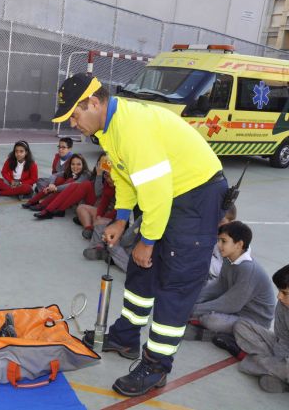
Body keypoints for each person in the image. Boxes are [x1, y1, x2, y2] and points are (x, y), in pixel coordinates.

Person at [55, 73, 228, 397]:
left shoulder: (132, 129)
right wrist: (121, 220)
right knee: (140, 270)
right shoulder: (109, 130)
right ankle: (124, 338)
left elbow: (158, 193)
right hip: (167, 196)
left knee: (174, 283)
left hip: (195, 196)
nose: (74, 124)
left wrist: (148, 241)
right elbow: (124, 179)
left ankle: (156, 366)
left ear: (94, 103)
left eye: (75, 116)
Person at [189, 221, 275, 349]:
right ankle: (222, 334)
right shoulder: (229, 259)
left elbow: (230, 304)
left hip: (253, 322)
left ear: (239, 245)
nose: (219, 245)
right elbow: (219, 286)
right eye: (218, 240)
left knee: (211, 319)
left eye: (224, 241)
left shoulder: (248, 270)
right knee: (200, 301)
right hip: (236, 312)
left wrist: (194, 309)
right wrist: (193, 300)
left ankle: (225, 337)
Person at [233, 264, 289, 393]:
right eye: (279, 291)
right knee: (241, 326)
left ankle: (250, 360)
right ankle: (276, 373)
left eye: (285, 293)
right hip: (282, 350)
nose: (279, 297)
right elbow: (282, 338)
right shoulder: (283, 304)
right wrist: (278, 359)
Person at [23, 153, 90, 211]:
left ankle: (44, 205)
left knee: (68, 182)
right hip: (65, 193)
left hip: (81, 201)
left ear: (83, 165)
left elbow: (72, 185)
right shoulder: (69, 171)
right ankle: (33, 201)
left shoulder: (86, 174)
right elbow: (54, 175)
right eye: (73, 164)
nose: (75, 167)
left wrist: (55, 188)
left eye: (78, 164)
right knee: (59, 179)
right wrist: (51, 184)